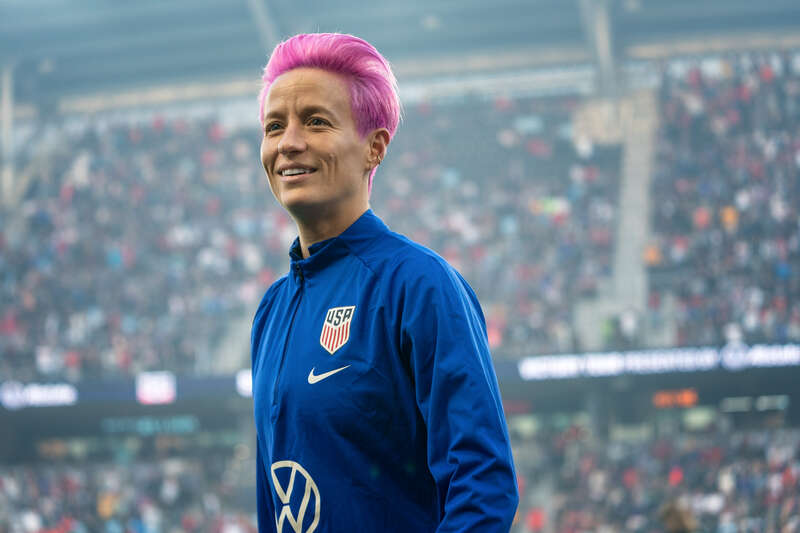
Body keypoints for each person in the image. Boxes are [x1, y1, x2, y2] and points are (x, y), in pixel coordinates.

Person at [251, 33, 518, 532]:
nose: (288, 142)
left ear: (374, 148)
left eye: (316, 121)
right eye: (274, 126)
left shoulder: (420, 285)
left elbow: (484, 485)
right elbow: (276, 498)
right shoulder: (272, 309)